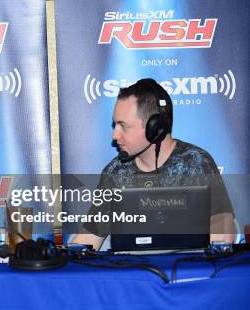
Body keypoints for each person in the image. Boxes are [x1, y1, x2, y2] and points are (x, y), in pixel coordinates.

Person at [71, 78, 235, 250]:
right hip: (133, 273)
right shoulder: (115, 172)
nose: (115, 135)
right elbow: (89, 236)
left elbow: (221, 223)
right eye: (115, 124)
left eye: (123, 126)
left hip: (188, 272)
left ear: (154, 128)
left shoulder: (197, 163)